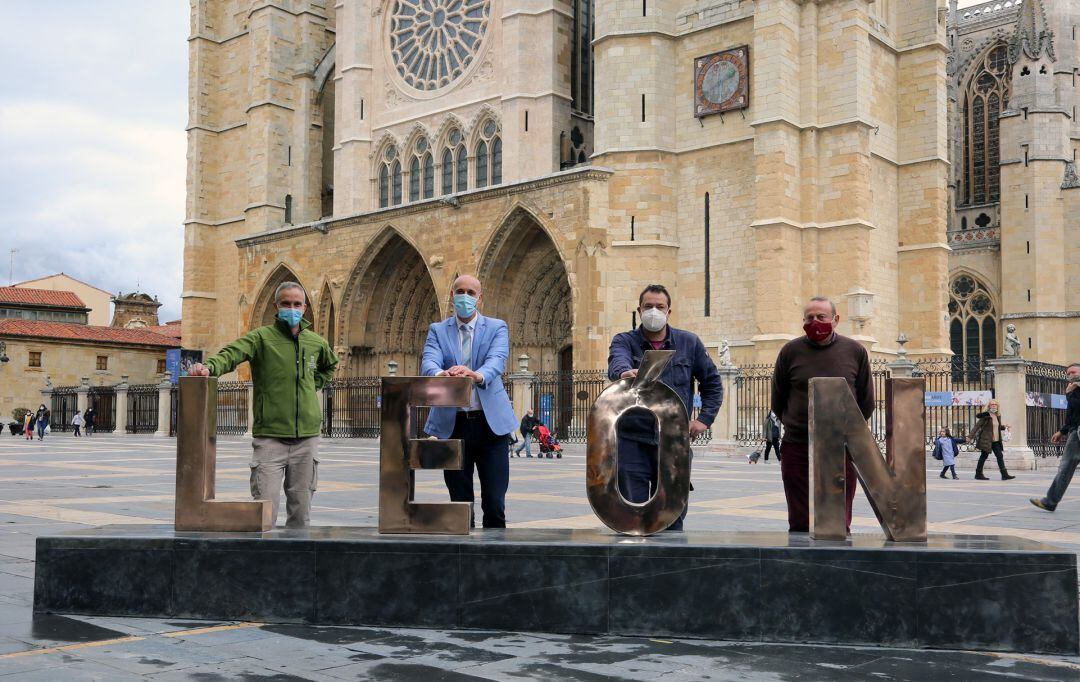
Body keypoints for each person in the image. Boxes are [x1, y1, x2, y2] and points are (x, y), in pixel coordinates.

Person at [190, 281, 338, 528]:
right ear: (276, 306)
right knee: (263, 512)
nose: (292, 309)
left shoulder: (316, 343)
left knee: (301, 514)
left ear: (305, 308)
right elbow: (232, 353)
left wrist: (314, 383)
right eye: (286, 304)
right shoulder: (261, 338)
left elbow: (330, 365)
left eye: (297, 304)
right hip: (270, 439)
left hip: (307, 439)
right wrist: (209, 367)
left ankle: (297, 562)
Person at [607, 284, 724, 531]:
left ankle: (671, 565)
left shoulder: (688, 343)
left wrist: (704, 419)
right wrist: (624, 372)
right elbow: (617, 362)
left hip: (673, 440)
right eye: (648, 306)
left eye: (660, 307)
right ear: (639, 310)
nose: (654, 311)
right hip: (632, 439)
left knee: (672, 515)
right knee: (631, 514)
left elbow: (712, 382)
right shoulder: (624, 341)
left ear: (669, 311)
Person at [421, 274, 517, 528]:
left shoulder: (497, 327)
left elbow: (497, 359)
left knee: (495, 502)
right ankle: (465, 562)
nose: (465, 296)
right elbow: (428, 362)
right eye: (460, 291)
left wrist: (477, 375)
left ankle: (494, 562)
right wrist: (445, 375)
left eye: (471, 293)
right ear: (452, 296)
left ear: (480, 298)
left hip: (490, 426)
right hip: (453, 426)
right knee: (460, 504)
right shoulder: (437, 330)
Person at [772, 296, 874, 534]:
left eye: (821, 317)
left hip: (841, 446)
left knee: (837, 520)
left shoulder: (855, 351)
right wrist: (796, 425)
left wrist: (847, 431)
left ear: (836, 320)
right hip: (798, 444)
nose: (814, 322)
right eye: (809, 317)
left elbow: (866, 401)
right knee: (798, 519)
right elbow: (778, 399)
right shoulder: (790, 351)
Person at [1030, 363, 1080, 511]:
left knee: (1065, 468)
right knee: (1065, 468)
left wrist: (1069, 394)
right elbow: (1073, 415)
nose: (1070, 374)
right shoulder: (1073, 388)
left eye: (1073, 371)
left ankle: (1050, 502)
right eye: (1068, 373)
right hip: (1074, 432)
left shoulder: (1073, 390)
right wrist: (1062, 432)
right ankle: (1049, 502)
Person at [969, 399, 1015, 481]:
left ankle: (1004, 475)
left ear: (997, 406)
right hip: (987, 440)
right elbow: (977, 426)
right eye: (992, 404)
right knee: (984, 456)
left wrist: (1004, 427)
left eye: (995, 404)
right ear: (989, 406)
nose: (994, 406)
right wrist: (970, 436)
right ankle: (978, 474)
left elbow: (996, 427)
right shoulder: (986, 416)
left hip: (996, 441)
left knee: (999, 456)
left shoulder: (997, 415)